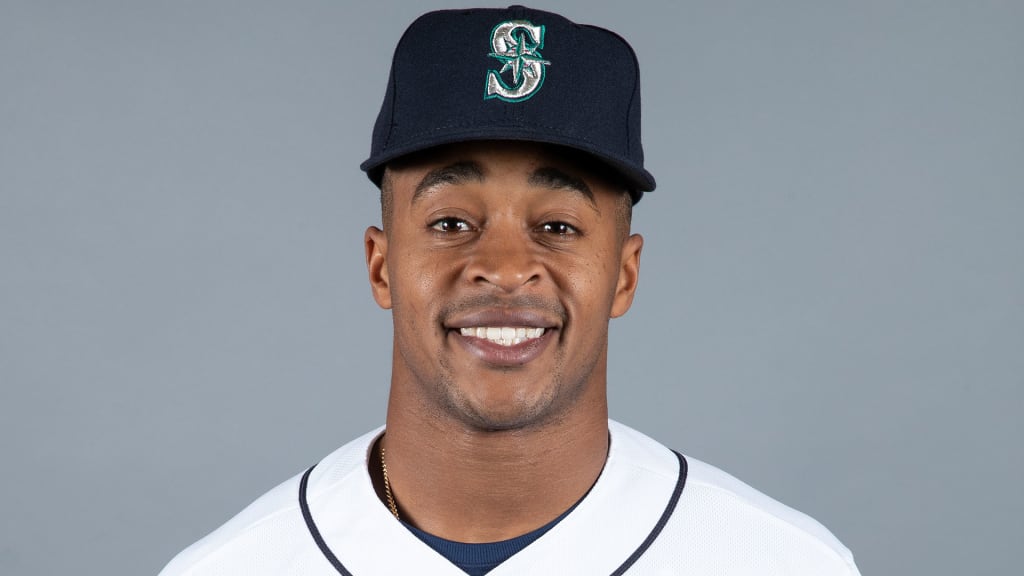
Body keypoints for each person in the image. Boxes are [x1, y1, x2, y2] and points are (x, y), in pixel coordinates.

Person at [160, 6, 861, 575]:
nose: (502, 267)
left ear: (624, 275)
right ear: (381, 266)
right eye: (451, 222)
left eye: (557, 226)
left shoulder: (784, 563)